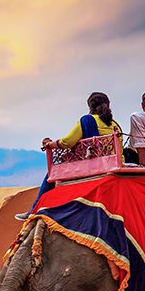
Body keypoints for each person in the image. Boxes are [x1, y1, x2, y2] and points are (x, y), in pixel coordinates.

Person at [18, 92, 123, 220]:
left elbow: (67, 142)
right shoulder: (115, 124)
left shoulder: (87, 120)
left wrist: (50, 144)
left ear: (90, 106)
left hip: (94, 164)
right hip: (116, 163)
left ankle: (34, 210)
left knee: (50, 175)